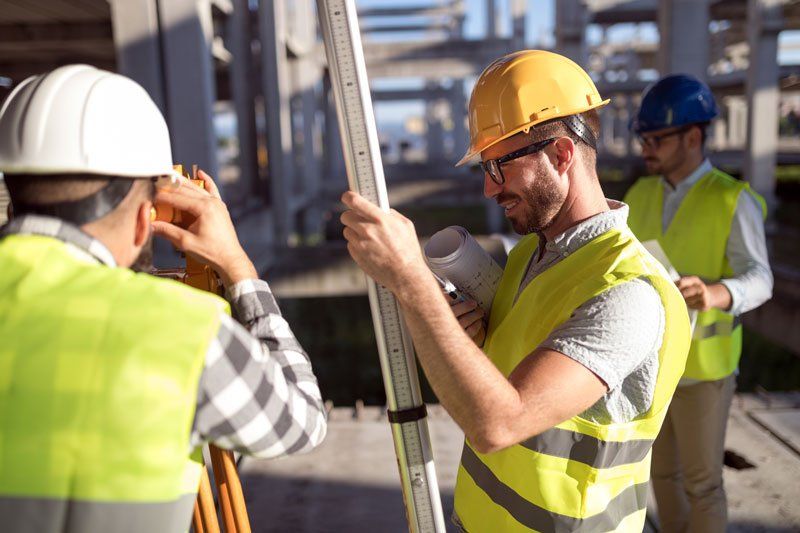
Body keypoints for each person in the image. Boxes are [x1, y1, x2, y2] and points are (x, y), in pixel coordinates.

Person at [340, 50, 691, 532]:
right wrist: (478, 341)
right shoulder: (531, 254)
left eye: (499, 167)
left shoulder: (628, 293)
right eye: (484, 170)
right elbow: (510, 375)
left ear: (561, 154)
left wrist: (412, 280)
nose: (489, 189)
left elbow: (499, 424)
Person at [0, 65, 327, 533]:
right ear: (144, 219)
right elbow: (303, 421)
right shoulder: (182, 331)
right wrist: (238, 269)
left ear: (13, 203)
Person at [624, 74, 773, 533]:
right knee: (661, 477)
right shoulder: (640, 194)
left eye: (656, 138)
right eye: (644, 138)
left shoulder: (733, 198)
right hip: (652, 367)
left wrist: (715, 293)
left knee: (703, 483)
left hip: (705, 370)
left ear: (693, 136)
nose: (646, 147)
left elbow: (760, 278)